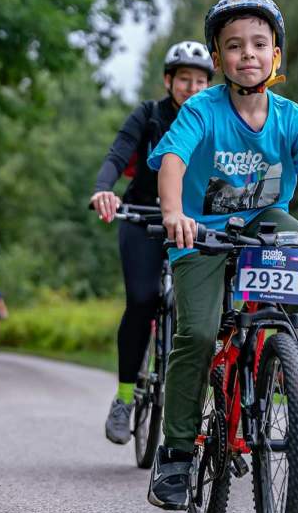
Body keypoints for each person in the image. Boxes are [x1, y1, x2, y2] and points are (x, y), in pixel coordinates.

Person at [145, 0, 298, 509]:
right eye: (235, 46)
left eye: (260, 44)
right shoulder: (201, 110)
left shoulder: (292, 119)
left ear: (276, 55)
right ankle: (176, 456)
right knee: (194, 332)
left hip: (260, 225)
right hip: (202, 233)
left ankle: (293, 348)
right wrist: (174, 215)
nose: (248, 54)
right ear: (219, 60)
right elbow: (172, 163)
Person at [91, 41, 215, 445]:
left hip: (193, 223)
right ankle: (125, 397)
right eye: (184, 80)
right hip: (142, 217)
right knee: (143, 300)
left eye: (200, 81)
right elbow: (117, 154)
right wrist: (103, 190)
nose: (192, 88)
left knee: (198, 310)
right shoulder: (149, 115)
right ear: (169, 80)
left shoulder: (215, 120)